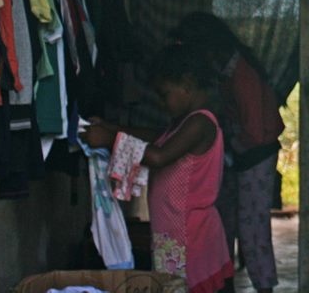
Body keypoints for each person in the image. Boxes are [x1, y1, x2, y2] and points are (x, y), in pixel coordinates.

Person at [83, 43, 234, 293]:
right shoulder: (182, 123)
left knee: (183, 287)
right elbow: (156, 138)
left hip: (190, 233)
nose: (163, 104)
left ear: (186, 84)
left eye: (164, 95)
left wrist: (110, 139)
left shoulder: (200, 122)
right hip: (175, 230)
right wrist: (111, 128)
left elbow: (158, 156)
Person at [171, 12, 284, 293]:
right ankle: (225, 283)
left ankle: (264, 288)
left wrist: (229, 149)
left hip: (255, 157)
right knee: (225, 221)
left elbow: (255, 131)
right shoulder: (228, 71)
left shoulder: (241, 74)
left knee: (252, 228)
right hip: (243, 155)